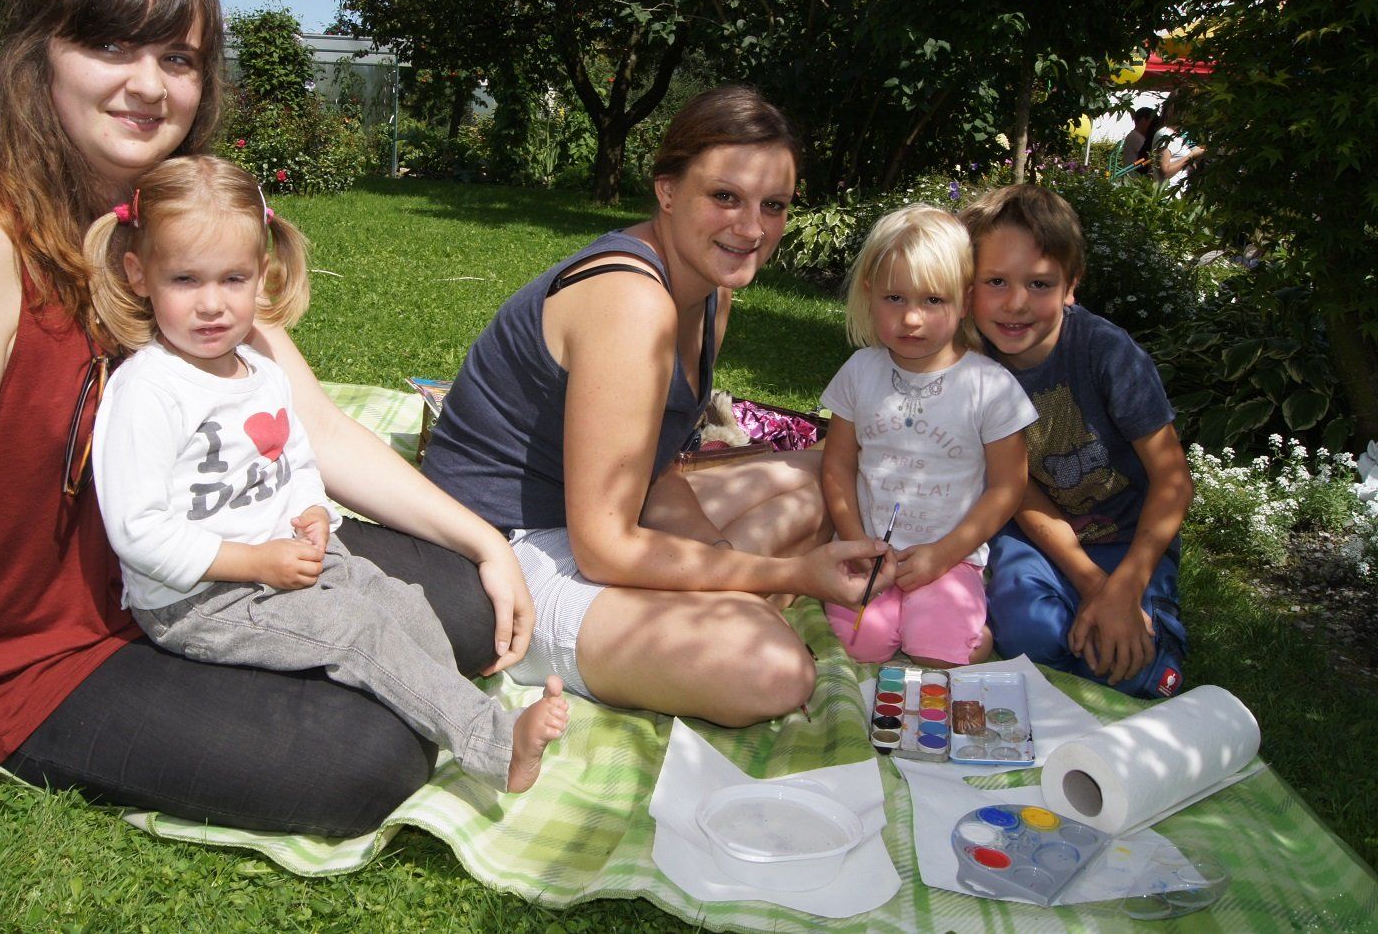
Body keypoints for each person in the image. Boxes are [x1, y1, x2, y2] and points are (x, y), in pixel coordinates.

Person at [0, 0, 532, 895]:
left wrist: (485, 541)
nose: (148, 84)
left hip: (209, 571)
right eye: (109, 44)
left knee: (466, 601)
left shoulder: (184, 234)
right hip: (41, 652)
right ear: (39, 59)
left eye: (177, 58)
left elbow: (311, 424)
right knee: (370, 758)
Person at [86, 156, 565, 792]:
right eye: (184, 279)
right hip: (199, 597)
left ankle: (443, 703)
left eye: (233, 279)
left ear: (262, 276)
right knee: (356, 630)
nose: (211, 304)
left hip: (285, 558)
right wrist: (255, 563)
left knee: (398, 601)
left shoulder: (260, 372)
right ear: (137, 274)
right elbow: (138, 531)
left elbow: (296, 461)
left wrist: (312, 510)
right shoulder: (150, 389)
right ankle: (496, 747)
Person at [422, 86, 894, 725]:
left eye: (773, 205)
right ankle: (719, 619)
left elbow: (658, 470)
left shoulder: (710, 292)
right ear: (667, 190)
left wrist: (723, 563)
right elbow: (603, 548)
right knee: (772, 668)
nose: (752, 228)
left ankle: (720, 607)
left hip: (595, 516)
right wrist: (785, 576)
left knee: (826, 476)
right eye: (724, 196)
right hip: (500, 554)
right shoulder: (630, 301)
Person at [960, 184, 1193, 698]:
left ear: (1071, 286)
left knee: (1126, 670)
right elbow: (1017, 487)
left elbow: (1173, 481)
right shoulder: (969, 365)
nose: (1016, 303)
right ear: (967, 285)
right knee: (1032, 638)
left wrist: (1124, 587)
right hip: (1035, 535)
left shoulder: (1108, 353)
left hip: (1130, 539)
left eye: (1040, 284)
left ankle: (1160, 641)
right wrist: (1090, 583)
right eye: (995, 281)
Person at [818, 205, 1036, 667]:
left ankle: (971, 634)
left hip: (948, 559)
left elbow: (1008, 486)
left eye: (933, 300)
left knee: (939, 654)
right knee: (859, 646)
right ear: (869, 293)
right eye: (894, 298)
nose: (912, 319)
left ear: (965, 300)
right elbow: (837, 464)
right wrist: (856, 544)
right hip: (870, 553)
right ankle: (901, 620)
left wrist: (944, 554)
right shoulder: (859, 372)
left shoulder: (990, 386)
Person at [1120, 107, 1156, 174]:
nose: (1153, 125)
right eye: (1152, 121)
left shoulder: (1135, 136)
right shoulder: (1135, 137)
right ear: (1143, 120)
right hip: (1134, 177)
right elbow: (1150, 155)